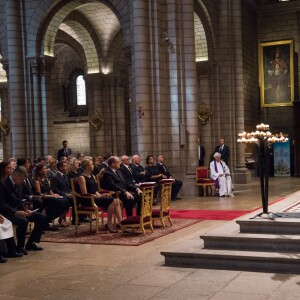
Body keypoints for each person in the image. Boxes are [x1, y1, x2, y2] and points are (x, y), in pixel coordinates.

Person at [0, 166, 47, 254]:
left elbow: (20, 200)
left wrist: (25, 210)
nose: (22, 182)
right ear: (16, 175)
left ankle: (30, 243)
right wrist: (16, 212)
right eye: (21, 179)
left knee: (42, 217)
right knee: (23, 221)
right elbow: (2, 204)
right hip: (7, 213)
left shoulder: (20, 183)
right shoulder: (4, 184)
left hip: (19, 211)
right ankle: (20, 247)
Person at [78, 158, 123, 233]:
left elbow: (95, 191)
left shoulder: (92, 176)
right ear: (86, 167)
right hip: (88, 200)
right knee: (113, 200)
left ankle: (121, 223)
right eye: (91, 164)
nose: (93, 166)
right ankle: (109, 224)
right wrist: (98, 196)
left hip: (95, 197)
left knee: (116, 200)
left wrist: (102, 195)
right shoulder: (81, 177)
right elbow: (85, 193)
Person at [34, 163, 70, 229]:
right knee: (61, 202)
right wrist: (51, 196)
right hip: (43, 199)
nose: (46, 170)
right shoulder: (37, 181)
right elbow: (40, 195)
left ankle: (47, 220)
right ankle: (46, 220)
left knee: (65, 200)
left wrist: (54, 194)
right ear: (40, 171)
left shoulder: (46, 179)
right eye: (44, 169)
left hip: (49, 197)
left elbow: (50, 191)